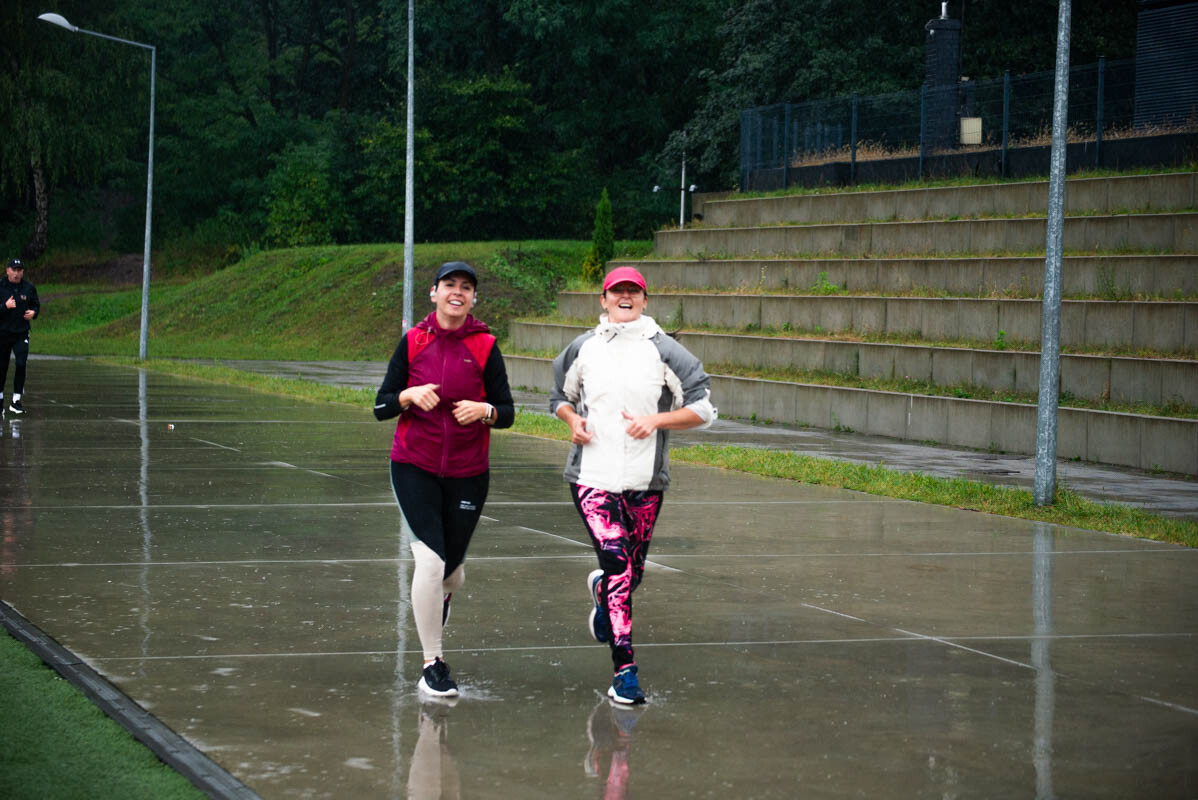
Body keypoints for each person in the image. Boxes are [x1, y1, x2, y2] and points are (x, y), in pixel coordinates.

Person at [550, 266, 716, 704]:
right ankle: (625, 672)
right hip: (592, 480)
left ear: (645, 300)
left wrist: (656, 420)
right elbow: (559, 399)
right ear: (602, 300)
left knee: (631, 572)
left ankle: (604, 593)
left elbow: (703, 409)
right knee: (620, 565)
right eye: (616, 291)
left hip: (646, 483)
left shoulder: (665, 350)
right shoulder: (582, 349)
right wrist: (573, 421)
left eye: (633, 292)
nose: (625, 297)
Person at [374, 261, 514, 698]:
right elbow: (380, 406)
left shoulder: (486, 345)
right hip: (413, 464)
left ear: (474, 298)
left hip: (468, 472)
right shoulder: (413, 342)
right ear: (433, 293)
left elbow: (507, 412)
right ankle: (432, 664)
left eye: (466, 287)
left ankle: (441, 600)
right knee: (430, 563)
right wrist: (407, 395)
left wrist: (484, 410)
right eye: (449, 285)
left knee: (451, 575)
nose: (458, 292)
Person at [1, 258, 40, 416]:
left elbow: (35, 305)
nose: (17, 273)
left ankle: (16, 400)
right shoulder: (1, 286)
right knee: (1, 367)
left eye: (19, 270)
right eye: (14, 270)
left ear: (22, 272)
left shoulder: (29, 287)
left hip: (21, 332)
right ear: (7, 270)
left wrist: (34, 313)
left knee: (21, 363)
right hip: (2, 333)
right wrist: (4, 306)